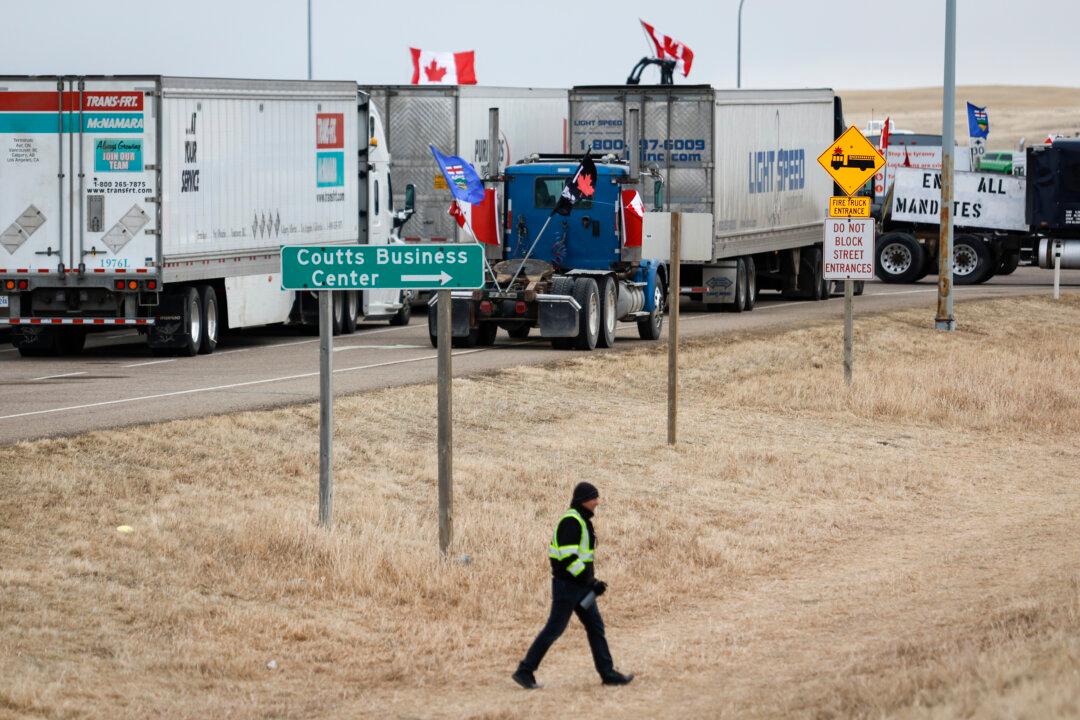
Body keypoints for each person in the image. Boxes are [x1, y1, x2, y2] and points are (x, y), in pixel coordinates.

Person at [512, 482, 634, 689]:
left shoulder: (582, 520)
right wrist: (591, 582)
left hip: (580, 588)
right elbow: (567, 559)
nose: (597, 502)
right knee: (555, 628)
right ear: (583, 500)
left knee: (595, 627)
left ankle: (608, 673)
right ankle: (524, 671)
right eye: (594, 498)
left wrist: (590, 583)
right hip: (567, 588)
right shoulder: (571, 521)